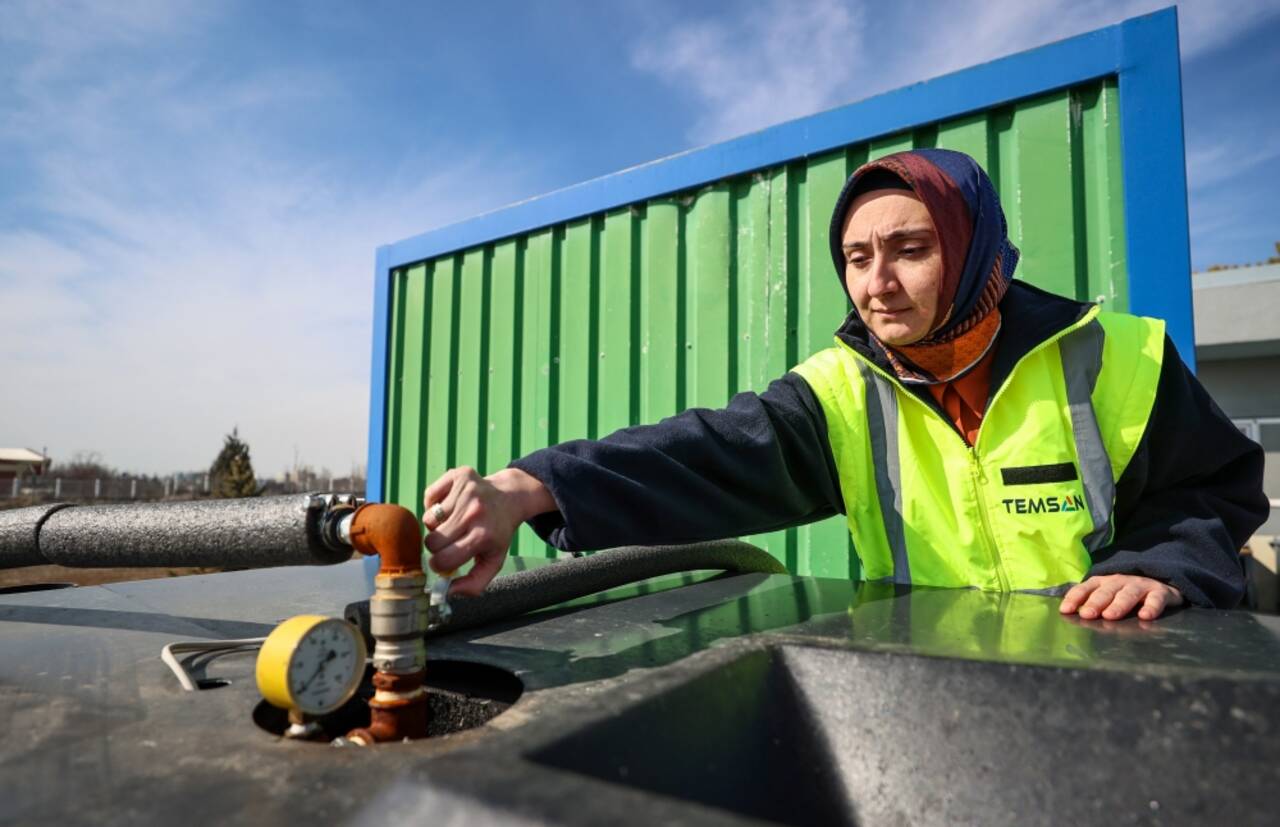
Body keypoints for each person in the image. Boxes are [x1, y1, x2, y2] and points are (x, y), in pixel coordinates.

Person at [419, 148, 1267, 622]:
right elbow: (702, 455)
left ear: (974, 251)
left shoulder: (1118, 355)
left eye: (910, 249)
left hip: (1119, 675)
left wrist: (1163, 561)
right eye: (857, 259)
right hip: (938, 689)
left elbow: (1216, 485)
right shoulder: (840, 392)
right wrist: (527, 488)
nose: (877, 284)